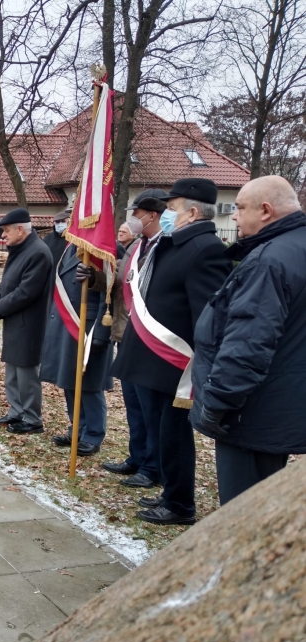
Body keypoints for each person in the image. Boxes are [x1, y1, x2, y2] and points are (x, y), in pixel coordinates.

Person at [112, 178, 232, 525]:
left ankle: (180, 504)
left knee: (175, 435)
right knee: (161, 431)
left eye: (172, 208)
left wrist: (196, 366)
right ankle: (169, 491)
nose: (167, 214)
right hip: (153, 359)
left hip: (175, 365)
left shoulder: (206, 248)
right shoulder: (175, 243)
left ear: (192, 212)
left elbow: (206, 316)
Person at [190, 176, 306, 505]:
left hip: (252, 410)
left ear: (265, 210)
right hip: (284, 401)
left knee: (243, 506)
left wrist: (217, 403)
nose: (235, 215)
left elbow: (248, 343)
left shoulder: (269, 261)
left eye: (240, 208)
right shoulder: (294, 248)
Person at [96, 189, 170, 490]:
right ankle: (137, 457)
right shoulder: (138, 246)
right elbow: (119, 286)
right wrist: (95, 276)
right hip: (125, 334)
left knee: (151, 409)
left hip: (148, 339)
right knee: (134, 405)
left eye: (137, 213)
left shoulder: (164, 246)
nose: (133, 219)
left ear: (152, 215)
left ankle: (153, 466)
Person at [40, 235, 114, 457]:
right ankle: (77, 429)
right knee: (70, 381)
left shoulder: (100, 246)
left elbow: (109, 292)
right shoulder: (71, 246)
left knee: (90, 384)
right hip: (68, 322)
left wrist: (102, 331)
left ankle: (93, 434)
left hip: (87, 325)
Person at [0, 208, 54, 433]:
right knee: (13, 371)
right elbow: (7, 284)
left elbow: (26, 292)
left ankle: (33, 418)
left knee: (26, 373)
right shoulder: (20, 249)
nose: (3, 235)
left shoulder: (37, 252)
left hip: (29, 323)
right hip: (15, 320)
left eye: (6, 230)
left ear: (20, 230)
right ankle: (16, 411)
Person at [42, 209, 70, 276]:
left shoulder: (73, 239)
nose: (60, 224)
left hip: (66, 275)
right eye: (57, 222)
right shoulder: (47, 238)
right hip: (49, 275)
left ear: (68, 222)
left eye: (63, 221)